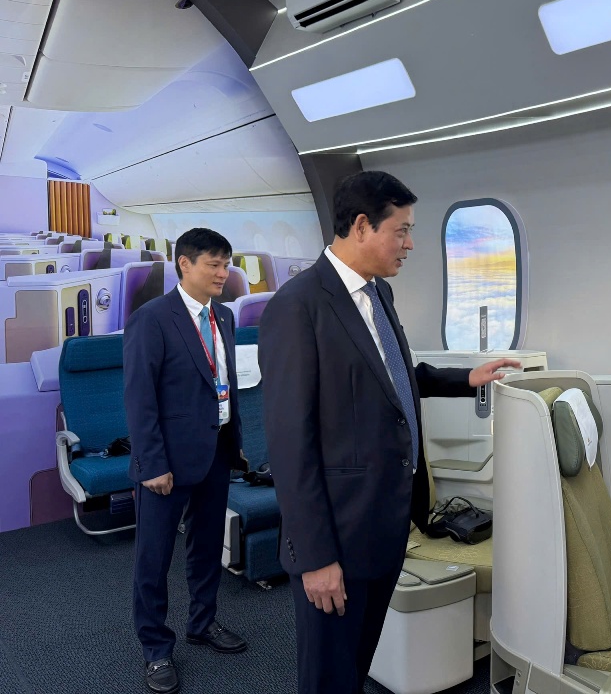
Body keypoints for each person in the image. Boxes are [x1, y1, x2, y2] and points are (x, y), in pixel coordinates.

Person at [259, 171, 520, 694]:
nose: (410, 243)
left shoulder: (378, 294)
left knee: (354, 670)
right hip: (336, 534)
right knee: (328, 679)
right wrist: (317, 558)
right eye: (401, 230)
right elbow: (290, 445)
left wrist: (465, 379)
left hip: (383, 525)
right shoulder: (297, 306)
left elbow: (394, 377)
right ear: (362, 226)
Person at [124, 228, 249, 694]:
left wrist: (234, 442)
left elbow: (224, 383)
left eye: (227, 264)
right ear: (185, 264)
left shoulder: (225, 316)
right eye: (214, 264)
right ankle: (156, 648)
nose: (223, 273)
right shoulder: (152, 319)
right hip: (167, 461)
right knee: (153, 559)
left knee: (206, 545)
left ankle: (203, 621)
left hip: (215, 451)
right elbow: (139, 398)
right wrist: (152, 463)